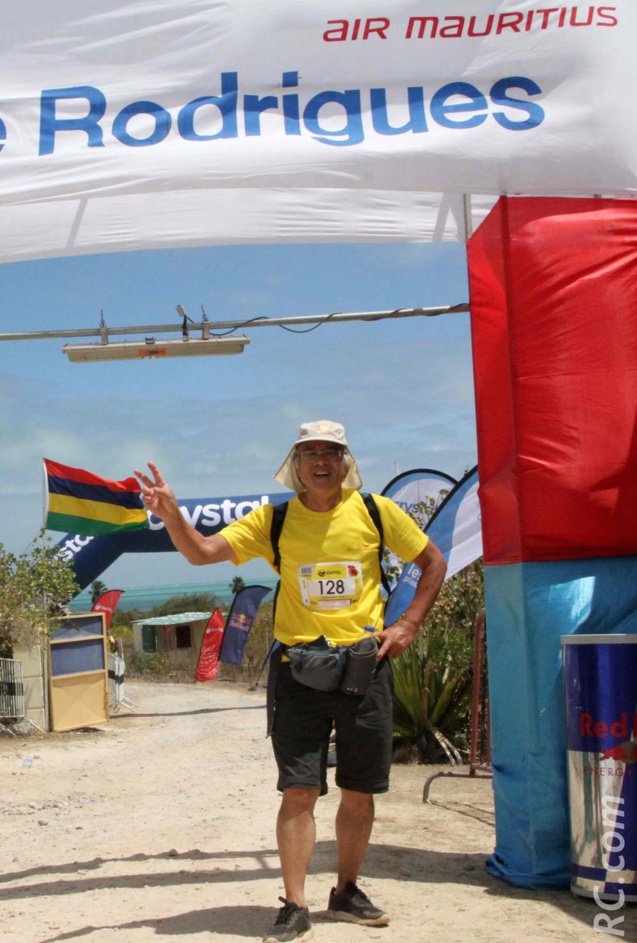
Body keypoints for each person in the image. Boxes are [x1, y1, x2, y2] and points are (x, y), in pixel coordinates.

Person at [135, 420, 446, 943]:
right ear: (295, 465)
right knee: (299, 790)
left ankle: (346, 890)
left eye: (331, 451)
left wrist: (408, 624)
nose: (320, 460)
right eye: (309, 453)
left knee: (359, 790)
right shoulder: (274, 521)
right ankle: (295, 904)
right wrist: (173, 516)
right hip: (299, 672)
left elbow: (432, 562)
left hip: (365, 669)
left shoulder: (375, 511)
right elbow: (201, 553)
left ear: (346, 462)